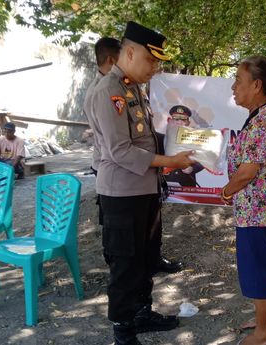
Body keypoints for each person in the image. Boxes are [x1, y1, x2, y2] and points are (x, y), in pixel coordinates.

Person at [90, 21, 195, 345]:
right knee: (125, 264)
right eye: (151, 60)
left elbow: (146, 139)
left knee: (146, 257)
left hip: (144, 190)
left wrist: (188, 140)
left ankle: (142, 312)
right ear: (131, 52)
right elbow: (121, 150)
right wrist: (172, 162)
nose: (156, 67)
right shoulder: (109, 91)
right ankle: (124, 330)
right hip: (121, 194)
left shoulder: (132, 87)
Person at [222, 56, 266, 345]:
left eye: (239, 80)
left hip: (256, 213)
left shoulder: (262, 122)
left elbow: (248, 171)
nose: (233, 86)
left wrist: (226, 191)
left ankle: (263, 334)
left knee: (258, 270)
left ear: (257, 85)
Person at [83, 37, 121, 175]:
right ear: (111, 60)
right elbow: (109, 138)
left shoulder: (118, 86)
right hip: (108, 165)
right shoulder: (98, 93)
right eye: (122, 59)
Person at [164, 105, 204, 187]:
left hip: (186, 185)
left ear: (188, 123)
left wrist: (192, 169)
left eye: (183, 119)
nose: (179, 122)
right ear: (170, 120)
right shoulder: (161, 139)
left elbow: (204, 160)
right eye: (176, 118)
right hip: (165, 184)